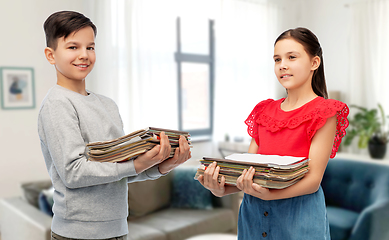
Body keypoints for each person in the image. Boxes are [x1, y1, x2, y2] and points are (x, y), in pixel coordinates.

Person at [38, 11, 191, 240]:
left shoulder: (107, 105)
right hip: (78, 235)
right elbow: (73, 173)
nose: (84, 55)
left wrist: (161, 166)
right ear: (51, 55)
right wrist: (135, 165)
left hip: (118, 230)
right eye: (73, 47)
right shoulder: (57, 104)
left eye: (90, 47)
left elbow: (118, 172)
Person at [198, 27, 349, 239]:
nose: (283, 65)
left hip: (298, 217)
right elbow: (250, 173)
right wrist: (220, 189)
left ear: (314, 63)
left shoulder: (325, 111)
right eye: (277, 59)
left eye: (292, 57)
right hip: (253, 216)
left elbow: (313, 180)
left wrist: (270, 196)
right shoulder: (264, 110)